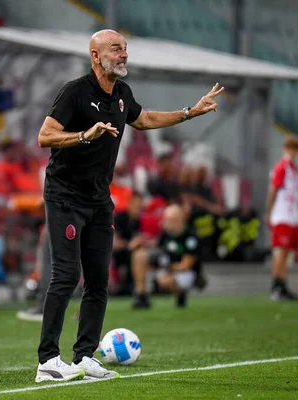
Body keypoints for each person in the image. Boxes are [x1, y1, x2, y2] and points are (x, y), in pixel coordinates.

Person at [35, 28, 224, 382]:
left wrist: (191, 112)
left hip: (99, 199)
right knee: (65, 275)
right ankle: (47, 360)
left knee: (98, 281)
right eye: (115, 49)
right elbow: (45, 135)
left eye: (125, 49)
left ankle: (85, 357)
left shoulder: (122, 94)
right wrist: (83, 136)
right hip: (65, 197)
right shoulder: (75, 92)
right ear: (95, 56)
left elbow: (145, 119)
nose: (123, 55)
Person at [131, 203, 203, 309]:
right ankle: (140, 294)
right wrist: (142, 242)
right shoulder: (167, 233)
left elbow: (186, 264)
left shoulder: (190, 236)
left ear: (178, 220)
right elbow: (158, 245)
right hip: (167, 267)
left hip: (184, 273)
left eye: (169, 219)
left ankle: (181, 294)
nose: (165, 222)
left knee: (165, 281)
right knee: (139, 255)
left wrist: (168, 268)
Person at [265, 138, 298, 301]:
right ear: (285, 148)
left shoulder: (293, 170)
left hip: (292, 215)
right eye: (291, 148)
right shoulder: (281, 167)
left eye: (296, 149)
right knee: (280, 251)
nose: (293, 152)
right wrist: (270, 210)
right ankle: (276, 286)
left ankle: (283, 283)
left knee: (287, 252)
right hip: (282, 214)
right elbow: (274, 189)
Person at [112, 192, 147, 296]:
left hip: (131, 252)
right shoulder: (119, 218)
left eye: (140, 206)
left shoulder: (138, 221)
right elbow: (114, 242)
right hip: (117, 253)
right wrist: (130, 244)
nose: (138, 208)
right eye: (136, 205)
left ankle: (139, 289)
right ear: (130, 204)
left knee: (141, 254)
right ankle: (138, 290)